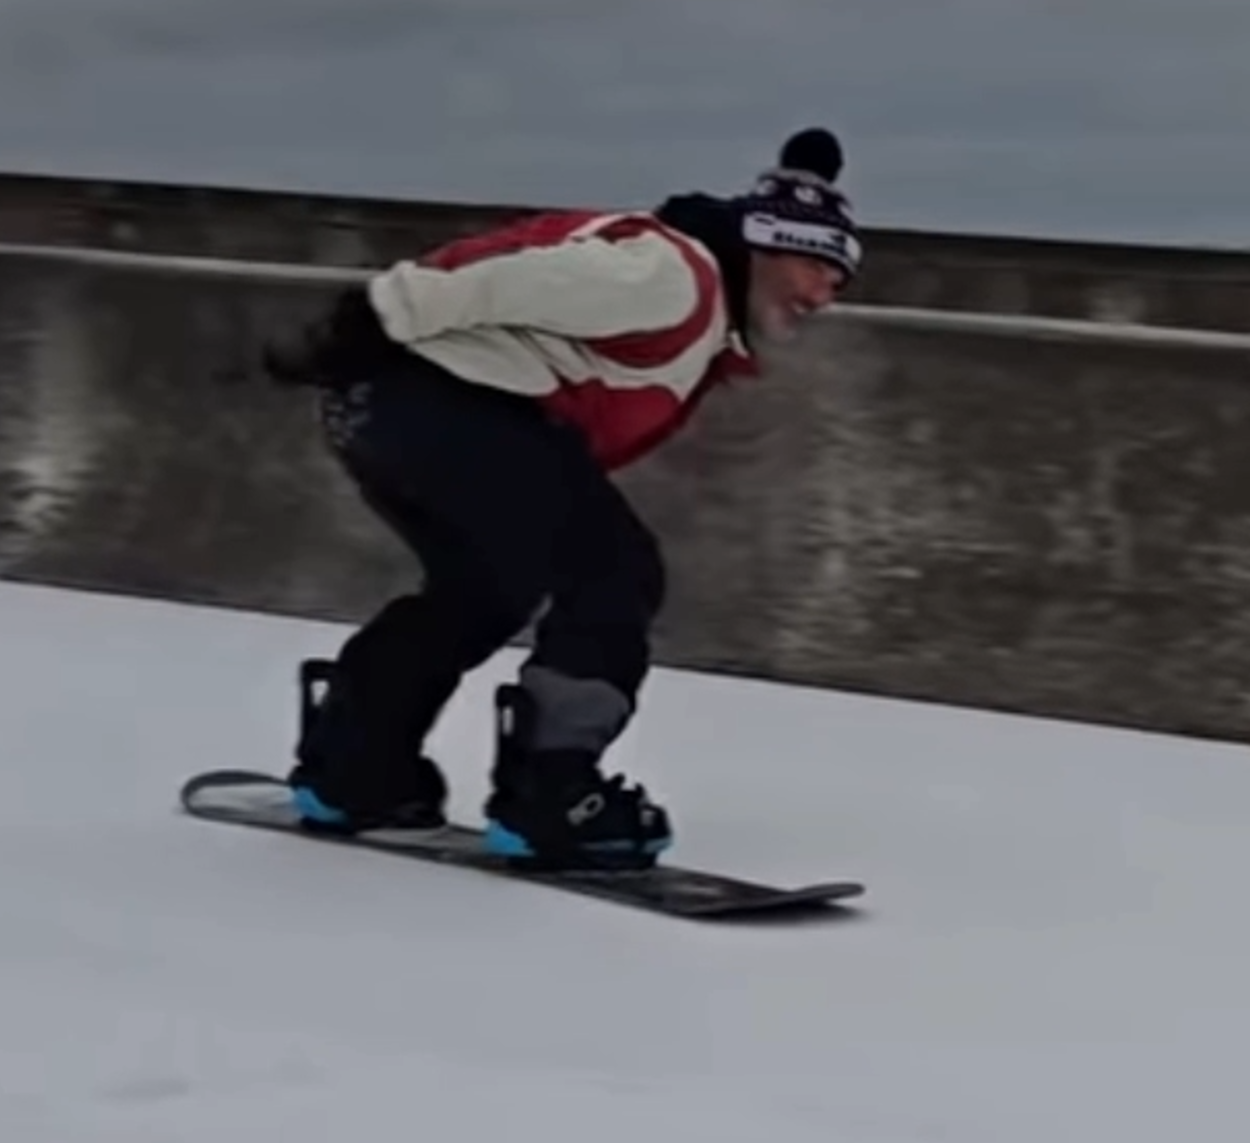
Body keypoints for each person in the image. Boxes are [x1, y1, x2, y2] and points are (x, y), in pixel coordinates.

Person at [258, 127, 862, 870]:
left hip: (389, 408)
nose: (826, 295)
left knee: (487, 587)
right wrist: (364, 322)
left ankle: (354, 765)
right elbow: (506, 277)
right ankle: (553, 793)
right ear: (767, 244)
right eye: (819, 267)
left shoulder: (694, 300)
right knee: (613, 570)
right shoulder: (671, 275)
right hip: (435, 397)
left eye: (840, 279)